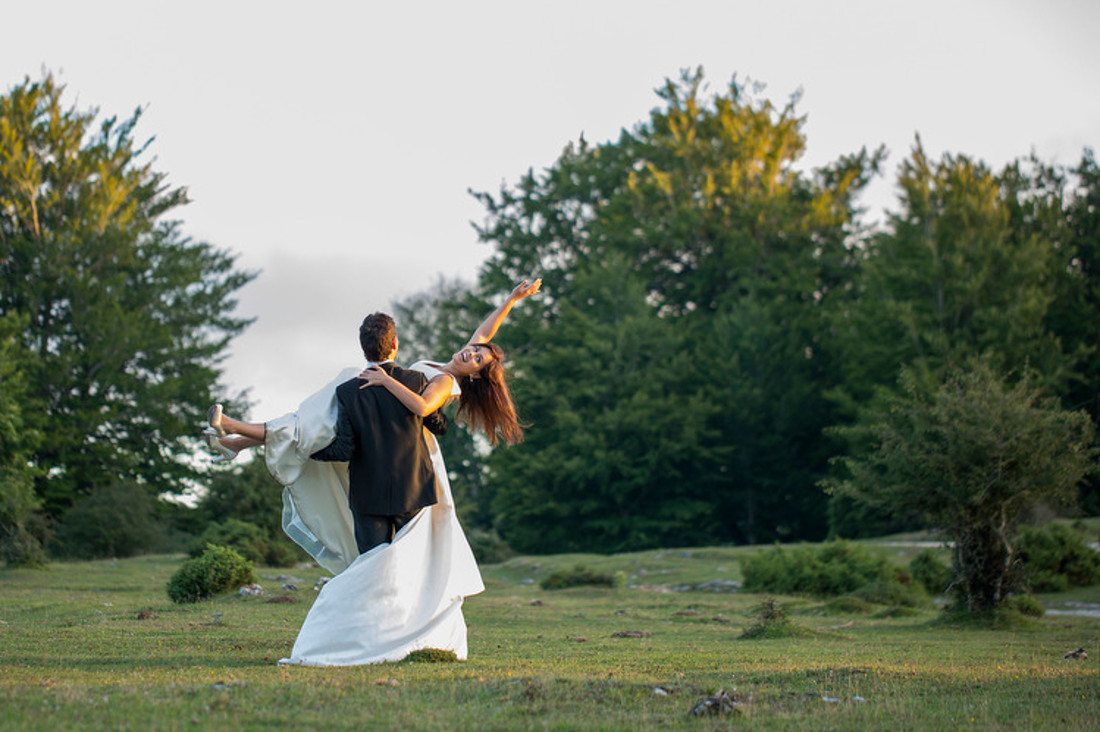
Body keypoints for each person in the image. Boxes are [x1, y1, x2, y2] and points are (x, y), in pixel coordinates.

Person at [202, 278, 540, 666]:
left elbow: (421, 408)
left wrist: (383, 378)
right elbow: (485, 331)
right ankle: (239, 439)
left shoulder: (446, 382)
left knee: (321, 418)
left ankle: (239, 436)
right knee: (315, 422)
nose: (471, 352)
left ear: (478, 375)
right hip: (389, 444)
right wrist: (511, 299)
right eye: (475, 350)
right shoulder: (440, 364)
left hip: (409, 459)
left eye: (478, 359)